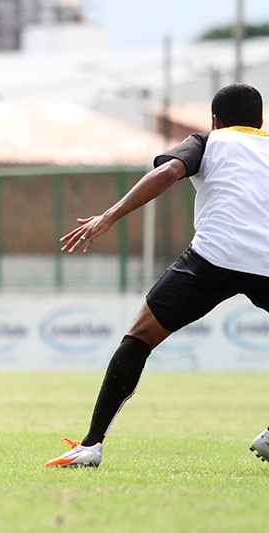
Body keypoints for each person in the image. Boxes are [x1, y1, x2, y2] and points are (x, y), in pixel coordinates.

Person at [45, 83, 269, 467]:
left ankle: (91, 445)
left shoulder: (208, 141)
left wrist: (108, 216)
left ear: (215, 120)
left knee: (140, 336)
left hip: (213, 258)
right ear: (261, 121)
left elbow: (168, 172)